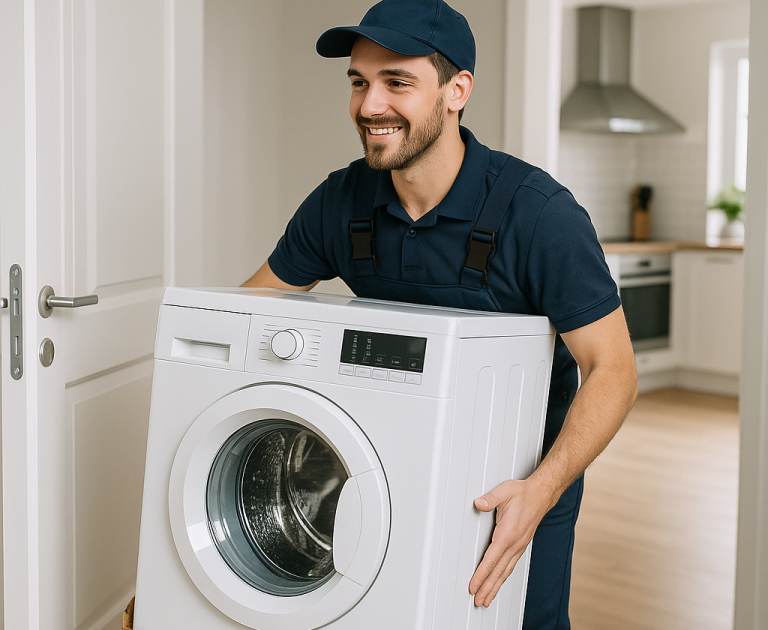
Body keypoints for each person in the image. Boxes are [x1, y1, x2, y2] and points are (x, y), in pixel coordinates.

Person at [242, 1, 638, 628]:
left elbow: (613, 369)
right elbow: (249, 314)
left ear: (457, 91)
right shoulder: (339, 201)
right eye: (358, 82)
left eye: (397, 82)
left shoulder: (539, 215)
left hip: (512, 490)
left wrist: (542, 490)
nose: (369, 106)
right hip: (377, 469)